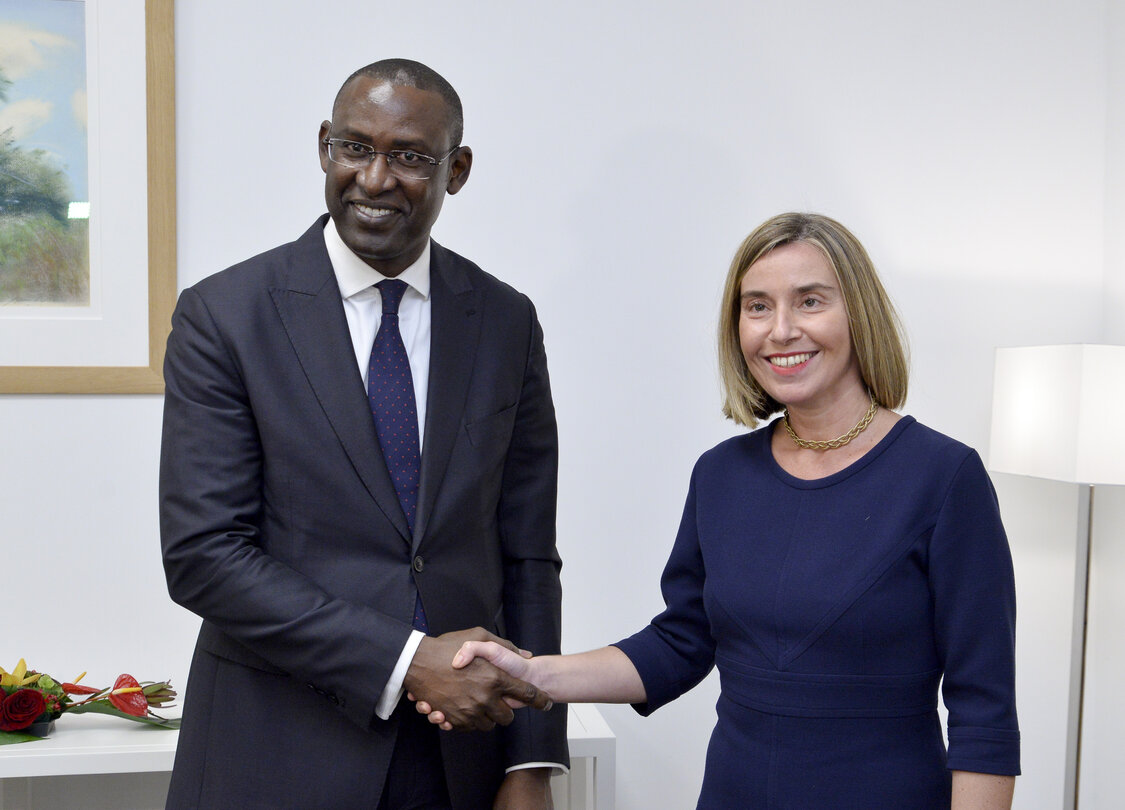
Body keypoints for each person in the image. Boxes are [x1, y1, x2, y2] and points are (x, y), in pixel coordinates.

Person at [424, 212, 1020, 808]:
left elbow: (984, 710)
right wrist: (531, 675)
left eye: (809, 301)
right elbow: (681, 641)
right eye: (757, 306)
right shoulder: (722, 474)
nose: (781, 330)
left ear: (858, 313)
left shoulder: (944, 477)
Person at [159, 59, 566, 810]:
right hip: (275, 754)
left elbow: (527, 554)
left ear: (459, 169)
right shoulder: (225, 316)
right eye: (354, 147)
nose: (375, 179)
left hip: (460, 760)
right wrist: (409, 660)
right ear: (324, 147)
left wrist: (531, 761)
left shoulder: (506, 322)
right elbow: (204, 557)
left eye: (410, 156)